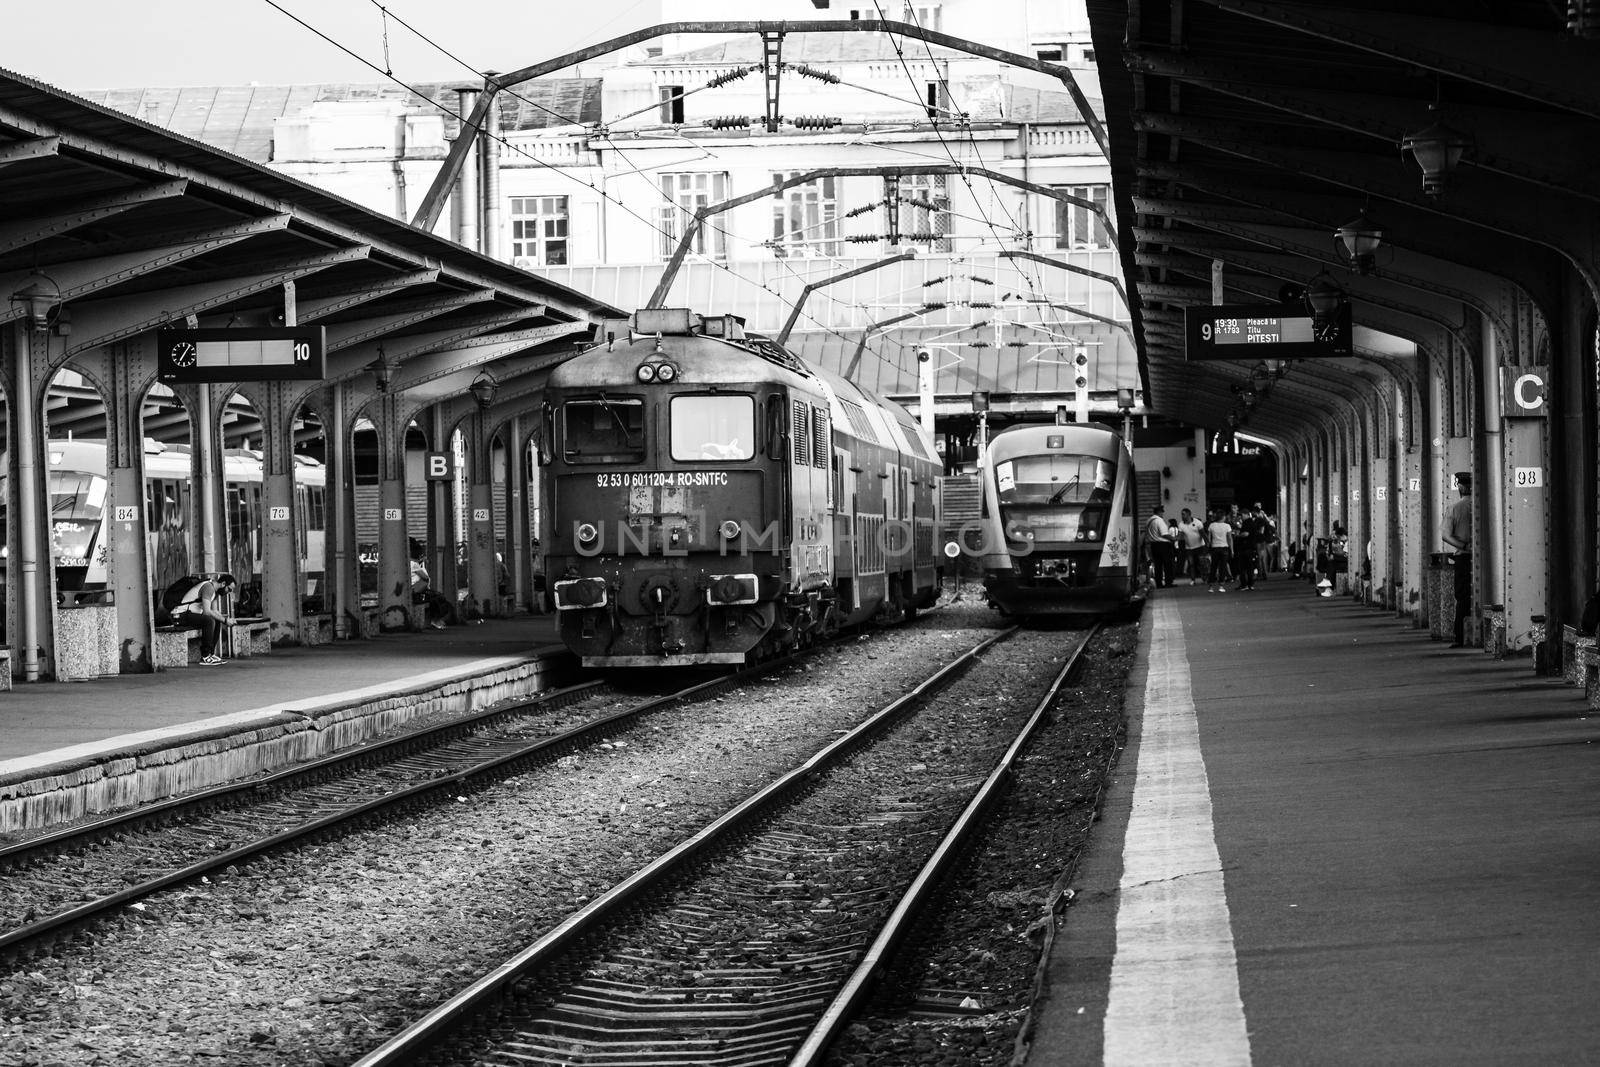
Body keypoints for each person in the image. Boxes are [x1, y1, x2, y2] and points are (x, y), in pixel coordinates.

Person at [163, 572, 237, 666]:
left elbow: (214, 611)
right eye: (229, 589)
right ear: (223, 584)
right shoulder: (208, 588)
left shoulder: (216, 592)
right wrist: (225, 621)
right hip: (180, 614)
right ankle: (205, 656)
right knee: (208, 621)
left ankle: (210, 653)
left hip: (189, 615)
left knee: (216, 620)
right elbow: (207, 611)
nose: (229, 592)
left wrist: (227, 619)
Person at [1442, 472, 1473, 647]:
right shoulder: (1487, 504)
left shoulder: (1455, 508)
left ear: (1460, 487)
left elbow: (1446, 535)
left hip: (1463, 558)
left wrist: (1463, 546)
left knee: (1462, 597)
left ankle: (1461, 636)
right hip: (1485, 560)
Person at [410, 543, 453, 630]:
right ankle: (434, 620)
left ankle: (433, 621)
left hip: (415, 590)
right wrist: (422, 564)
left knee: (435, 599)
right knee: (439, 599)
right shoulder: (413, 564)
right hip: (416, 591)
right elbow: (426, 578)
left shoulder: (411, 563)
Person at [1144, 504, 1176, 589]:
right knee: (1167, 564)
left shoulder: (1149, 521)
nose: (1163, 514)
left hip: (1153, 546)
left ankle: (1159, 584)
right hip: (1163, 546)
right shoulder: (1159, 521)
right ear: (1159, 512)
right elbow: (1164, 534)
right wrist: (1173, 538)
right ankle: (1168, 583)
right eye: (1162, 512)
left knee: (1158, 565)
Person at [1204, 508, 1234, 593]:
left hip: (1215, 548)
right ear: (1223, 517)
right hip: (1224, 548)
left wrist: (1207, 548)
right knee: (1223, 567)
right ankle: (1221, 585)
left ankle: (1210, 586)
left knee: (1213, 566)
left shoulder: (1211, 525)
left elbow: (1208, 539)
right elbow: (1229, 539)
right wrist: (1232, 550)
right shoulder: (1227, 526)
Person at [1177, 507, 1207, 585]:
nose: (1182, 516)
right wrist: (1172, 539)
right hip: (1189, 548)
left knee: (1202, 563)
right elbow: (1179, 536)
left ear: (1189, 514)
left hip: (1200, 546)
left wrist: (1208, 543)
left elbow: (1203, 534)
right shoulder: (1181, 524)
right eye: (1181, 514)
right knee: (1191, 564)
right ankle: (1193, 580)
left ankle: (1205, 578)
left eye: (1183, 514)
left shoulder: (1198, 523)